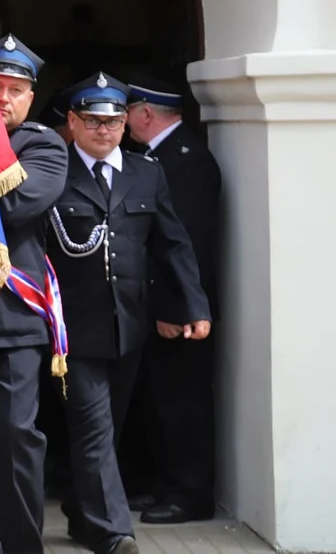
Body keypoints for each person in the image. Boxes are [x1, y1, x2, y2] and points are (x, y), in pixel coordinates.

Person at [47, 72, 212, 554]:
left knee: (110, 425)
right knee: (93, 424)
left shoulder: (147, 172)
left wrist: (192, 305)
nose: (104, 130)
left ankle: (82, 511)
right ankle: (113, 530)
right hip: (72, 328)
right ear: (73, 123)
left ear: (126, 123)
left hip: (129, 325)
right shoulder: (54, 171)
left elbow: (173, 244)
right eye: (93, 121)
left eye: (114, 121)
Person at [0, 34, 67, 553]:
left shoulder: (43, 145)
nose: (3, 98)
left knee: (12, 441)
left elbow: (17, 204)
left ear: (31, 98)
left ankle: (22, 546)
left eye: (15, 90)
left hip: (12, 320)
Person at [126, 73, 221, 524]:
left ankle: (190, 493)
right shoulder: (155, 155)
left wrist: (174, 307)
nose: (121, 121)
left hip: (179, 310)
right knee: (158, 401)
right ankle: (163, 484)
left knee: (182, 402)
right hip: (156, 304)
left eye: (126, 111)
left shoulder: (186, 160)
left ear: (145, 113)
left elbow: (185, 242)